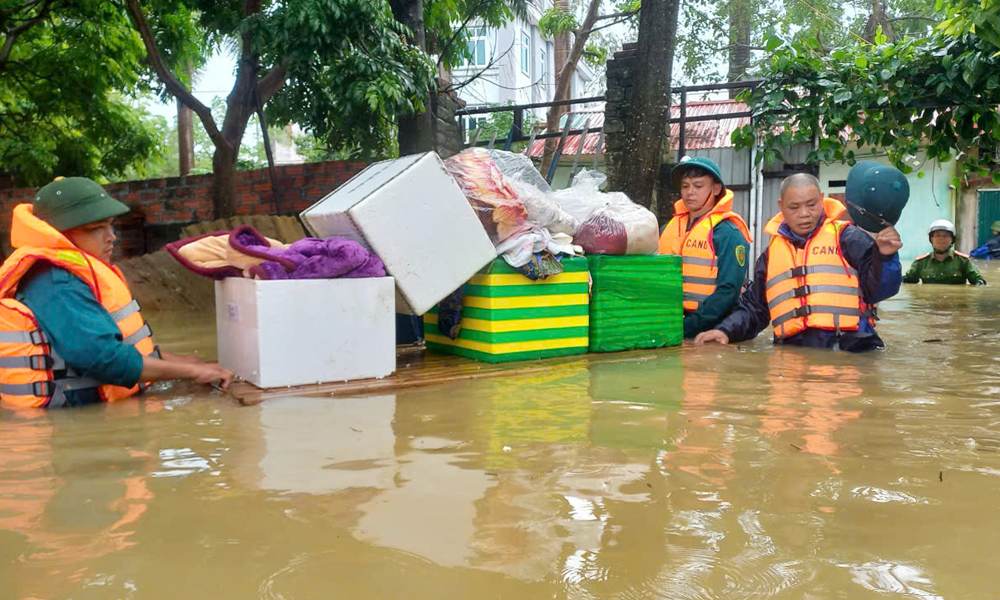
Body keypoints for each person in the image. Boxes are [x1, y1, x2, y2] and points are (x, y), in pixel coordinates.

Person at [0, 177, 233, 409]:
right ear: (58, 235)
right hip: (66, 425)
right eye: (95, 229)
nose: (111, 236)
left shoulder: (70, 273)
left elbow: (119, 349)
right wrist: (192, 371)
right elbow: (105, 360)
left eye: (109, 225)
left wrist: (187, 363)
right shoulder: (57, 283)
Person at [694, 173, 903, 352]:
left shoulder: (848, 237)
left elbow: (880, 291)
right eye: (794, 207)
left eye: (811, 205)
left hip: (853, 349)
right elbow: (753, 309)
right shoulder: (770, 256)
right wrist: (724, 331)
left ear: (822, 199)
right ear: (781, 207)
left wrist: (884, 257)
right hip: (793, 352)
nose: (804, 214)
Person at [658, 156, 752, 339]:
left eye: (698, 186)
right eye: (685, 186)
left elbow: (728, 291)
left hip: (711, 330)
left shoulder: (729, 234)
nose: (689, 192)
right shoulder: (666, 229)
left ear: (716, 189)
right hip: (671, 324)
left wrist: (687, 327)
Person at [903, 219, 986, 285]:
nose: (941, 239)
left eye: (945, 236)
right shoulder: (921, 263)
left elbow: (978, 281)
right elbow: (907, 281)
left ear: (952, 239)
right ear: (931, 239)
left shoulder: (963, 261)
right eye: (937, 235)